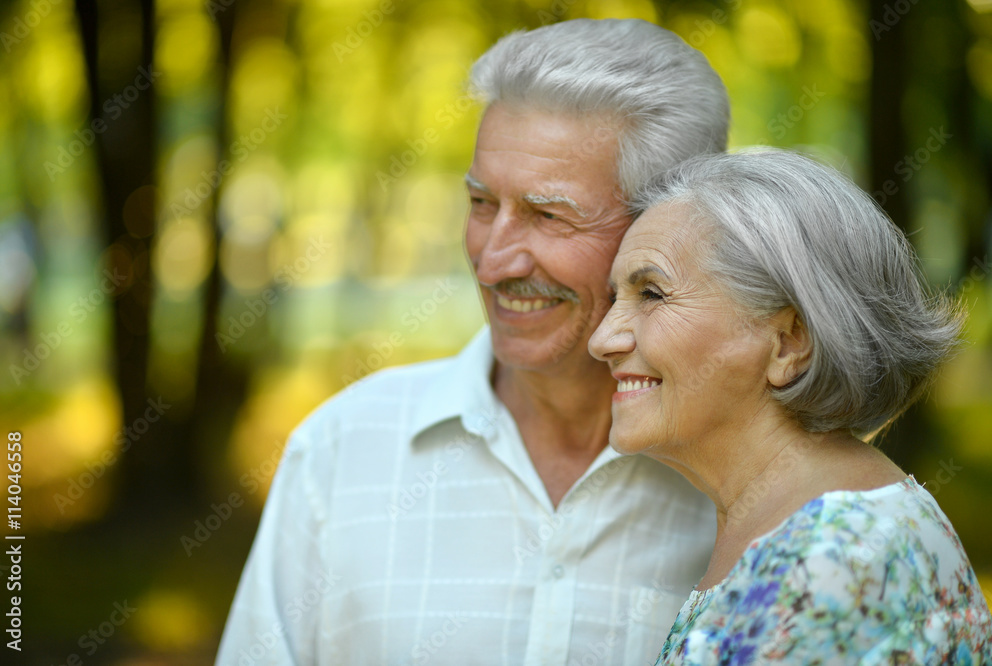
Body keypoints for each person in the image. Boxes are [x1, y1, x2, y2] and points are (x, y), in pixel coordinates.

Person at [216, 18, 731, 665]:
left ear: (667, 231)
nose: (494, 262)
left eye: (548, 215)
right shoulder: (339, 452)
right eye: (482, 204)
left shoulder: (748, 484)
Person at [589, 148, 992, 664]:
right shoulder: (800, 531)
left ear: (788, 342)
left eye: (651, 293)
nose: (602, 339)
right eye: (613, 298)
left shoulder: (833, 560)